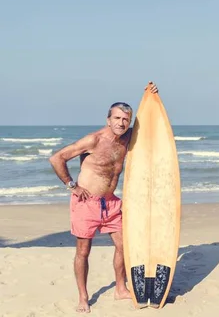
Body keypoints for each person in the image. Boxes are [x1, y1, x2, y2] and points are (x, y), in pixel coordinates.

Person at [48, 81, 158, 313]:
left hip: (111, 203)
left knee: (124, 246)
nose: (121, 122)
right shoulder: (94, 140)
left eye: (125, 119)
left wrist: (150, 97)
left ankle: (120, 288)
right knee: (83, 251)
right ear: (108, 119)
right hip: (86, 203)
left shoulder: (127, 138)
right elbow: (57, 158)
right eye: (117, 118)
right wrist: (72, 185)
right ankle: (83, 297)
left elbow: (150, 123)